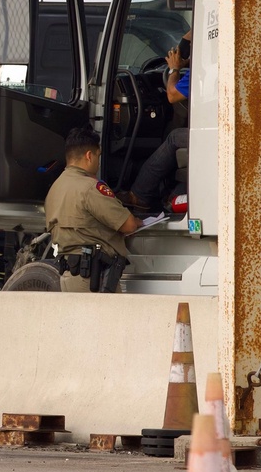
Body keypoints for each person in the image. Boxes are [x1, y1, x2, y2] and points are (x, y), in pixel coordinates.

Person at [44, 127, 144, 293]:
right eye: (98, 156)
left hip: (71, 275)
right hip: (93, 279)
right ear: (89, 156)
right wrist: (138, 220)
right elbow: (129, 225)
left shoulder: (55, 188)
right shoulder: (90, 187)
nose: (98, 163)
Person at [119, 30, 193, 213]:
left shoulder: (203, 71)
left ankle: (140, 195)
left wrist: (175, 68)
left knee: (174, 137)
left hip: (219, 137)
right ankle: (171, 195)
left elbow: (172, 95)